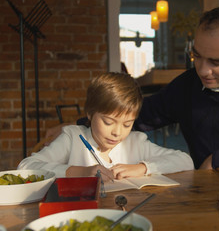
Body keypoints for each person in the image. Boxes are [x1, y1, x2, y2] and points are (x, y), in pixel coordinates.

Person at [46, 5, 219, 170]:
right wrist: (81, 124)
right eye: (197, 56)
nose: (203, 70)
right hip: (207, 194)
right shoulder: (188, 85)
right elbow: (139, 116)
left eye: (216, 62)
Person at [18, 72, 194, 181]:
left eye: (127, 124)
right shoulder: (73, 138)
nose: (117, 132)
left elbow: (185, 161)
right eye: (108, 122)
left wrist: (142, 168)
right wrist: (79, 172)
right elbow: (26, 167)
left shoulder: (135, 142)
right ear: (89, 113)